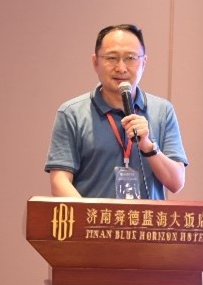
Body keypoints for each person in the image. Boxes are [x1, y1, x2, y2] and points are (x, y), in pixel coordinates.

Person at [45, 23, 188, 199]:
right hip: (94, 217)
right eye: (111, 58)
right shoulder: (71, 113)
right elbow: (59, 182)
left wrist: (148, 147)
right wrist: (93, 215)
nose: (121, 68)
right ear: (95, 62)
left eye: (130, 58)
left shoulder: (163, 111)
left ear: (143, 63)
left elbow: (176, 182)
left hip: (145, 218)